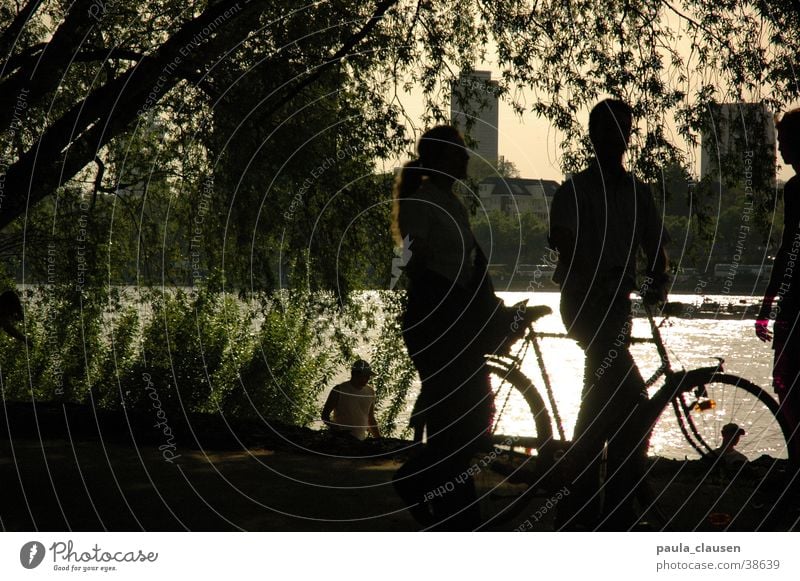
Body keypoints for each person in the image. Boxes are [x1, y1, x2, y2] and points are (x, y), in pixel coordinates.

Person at [390, 125, 527, 530]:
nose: (466, 159)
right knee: (463, 419)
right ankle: (423, 488)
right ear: (440, 159)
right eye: (459, 153)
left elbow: (466, 268)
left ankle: (453, 512)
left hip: (453, 325)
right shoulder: (422, 203)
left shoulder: (451, 204)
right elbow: (418, 267)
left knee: (468, 419)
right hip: (436, 326)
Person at [548, 99, 670, 530]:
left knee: (606, 398)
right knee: (627, 397)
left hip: (616, 308)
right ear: (594, 138)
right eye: (607, 132)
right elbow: (565, 245)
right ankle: (602, 505)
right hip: (584, 304)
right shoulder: (574, 191)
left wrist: (658, 279)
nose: (613, 140)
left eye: (620, 131)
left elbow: (656, 245)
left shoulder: (638, 193)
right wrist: (607, 271)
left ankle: (584, 503)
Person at [756, 108, 800, 463]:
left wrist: (767, 304)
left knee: (786, 383)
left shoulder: (797, 190)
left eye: (785, 141)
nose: (781, 150)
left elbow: (788, 248)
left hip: (795, 301)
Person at [321, 359, 380, 441]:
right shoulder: (339, 390)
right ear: (353, 374)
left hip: (360, 441)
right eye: (363, 376)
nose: (366, 379)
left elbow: (370, 419)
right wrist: (335, 427)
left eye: (368, 376)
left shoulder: (370, 392)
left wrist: (379, 439)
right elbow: (325, 416)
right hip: (340, 440)